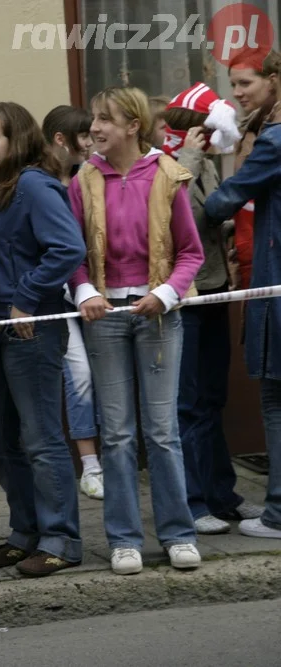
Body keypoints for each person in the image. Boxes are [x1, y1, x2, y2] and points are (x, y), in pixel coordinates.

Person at [69, 86, 204, 575]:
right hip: (105, 318)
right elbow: (72, 254)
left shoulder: (167, 174)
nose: (96, 128)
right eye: (93, 119)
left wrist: (166, 293)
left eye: (105, 119)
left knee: (163, 431)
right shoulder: (83, 179)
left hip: (159, 316)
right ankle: (124, 539)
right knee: (118, 433)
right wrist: (84, 292)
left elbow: (192, 252)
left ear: (132, 125)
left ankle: (178, 533)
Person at [0, 101, 86, 577]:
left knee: (40, 437)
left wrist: (26, 297)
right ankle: (26, 532)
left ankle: (62, 540)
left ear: (15, 140)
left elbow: (68, 248)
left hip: (32, 329)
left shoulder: (36, 186)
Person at [160, 84, 264, 535]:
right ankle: (192, 502)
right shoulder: (169, 163)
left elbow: (212, 217)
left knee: (212, 400)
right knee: (187, 405)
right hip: (183, 299)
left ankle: (222, 495)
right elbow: (170, 213)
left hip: (213, 292)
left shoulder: (204, 168)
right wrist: (190, 158)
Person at [205, 83, 281, 540]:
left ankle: (277, 513)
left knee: (275, 399)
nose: (240, 93)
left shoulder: (274, 141)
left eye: (247, 82)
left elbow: (223, 200)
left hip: (276, 286)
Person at [42, 105, 104, 500]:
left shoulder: (93, 177)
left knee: (104, 373)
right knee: (78, 372)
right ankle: (90, 466)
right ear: (62, 139)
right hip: (58, 297)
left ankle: (112, 458)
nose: (91, 141)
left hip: (96, 291)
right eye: (84, 135)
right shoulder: (41, 183)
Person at [228, 52, 281, 292]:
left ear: (271, 80)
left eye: (245, 83)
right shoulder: (251, 127)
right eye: (233, 84)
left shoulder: (272, 135)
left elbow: (238, 189)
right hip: (255, 246)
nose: (237, 92)